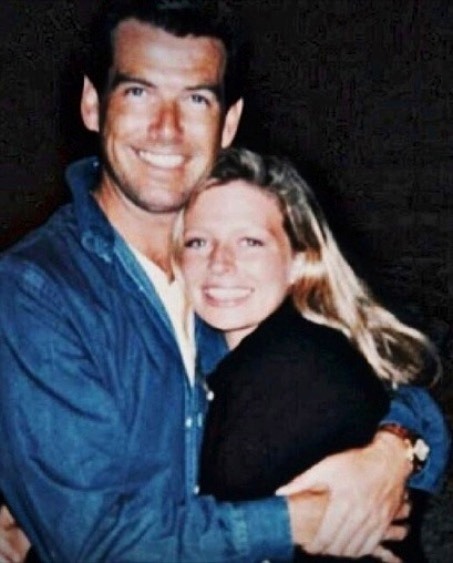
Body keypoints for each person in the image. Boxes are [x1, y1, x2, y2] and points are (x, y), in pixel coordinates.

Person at [0, 1, 450, 562]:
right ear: (94, 105)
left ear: (228, 123)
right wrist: (301, 520)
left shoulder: (222, 284)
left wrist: (396, 449)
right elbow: (98, 542)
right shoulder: (40, 290)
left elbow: (372, 371)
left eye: (196, 99)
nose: (167, 128)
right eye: (139, 92)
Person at [175, 146, 446, 561]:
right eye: (198, 242)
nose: (220, 263)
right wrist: (399, 445)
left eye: (250, 242)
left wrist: (398, 448)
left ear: (299, 261)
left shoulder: (297, 365)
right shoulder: (202, 355)